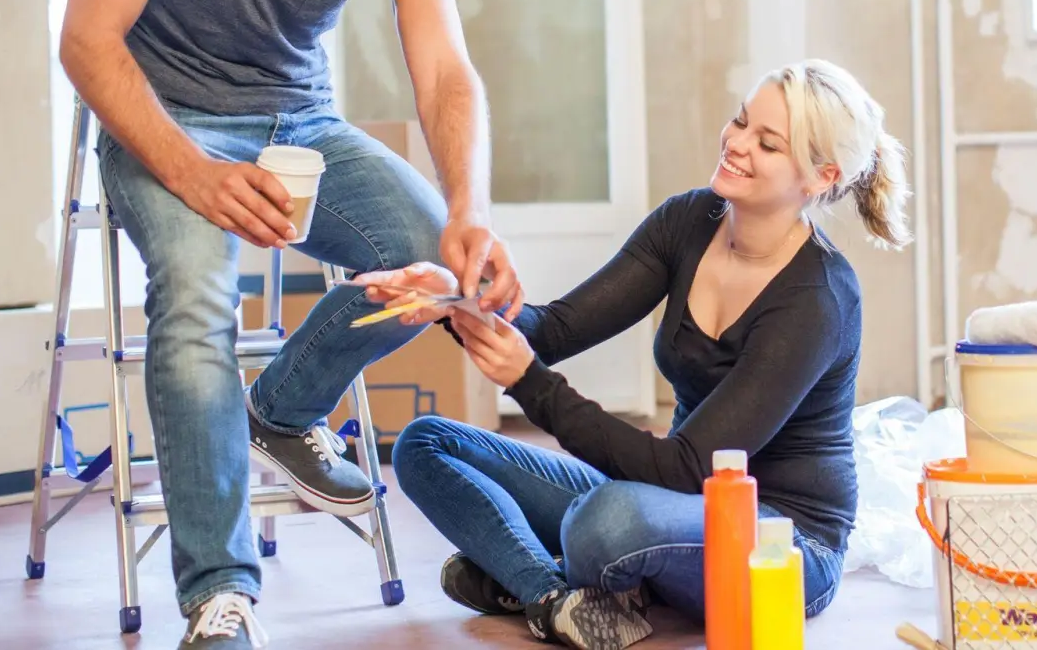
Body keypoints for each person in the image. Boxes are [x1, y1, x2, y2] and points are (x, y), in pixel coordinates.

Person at [57, 0, 522, 647]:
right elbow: (86, 39)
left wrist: (469, 208)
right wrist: (197, 175)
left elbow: (444, 71)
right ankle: (220, 598)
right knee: (196, 302)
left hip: (297, 122)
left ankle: (282, 411)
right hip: (166, 118)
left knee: (439, 261)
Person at [354, 59, 913, 650]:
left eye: (767, 143)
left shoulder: (817, 298)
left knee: (610, 521)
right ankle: (552, 596)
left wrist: (531, 384)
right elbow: (555, 329)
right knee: (426, 445)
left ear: (821, 176)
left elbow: (690, 467)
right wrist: (451, 295)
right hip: (673, 500)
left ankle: (559, 571)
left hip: (780, 542)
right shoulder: (688, 222)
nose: (736, 144)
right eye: (740, 121)